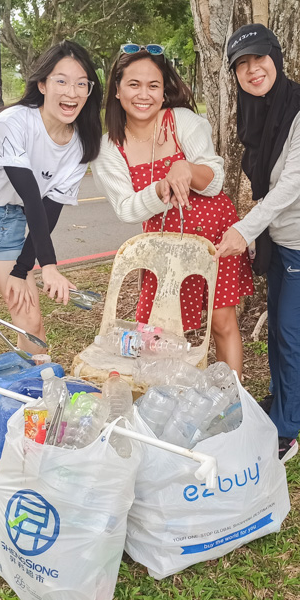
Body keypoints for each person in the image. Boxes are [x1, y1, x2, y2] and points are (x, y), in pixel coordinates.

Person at [215, 25, 300, 462]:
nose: (253, 70)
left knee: (293, 331)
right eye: (242, 65)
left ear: (276, 57)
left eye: (259, 58)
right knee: (277, 329)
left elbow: (291, 184)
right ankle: (279, 399)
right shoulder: (255, 110)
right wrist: (258, 233)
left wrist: (244, 230)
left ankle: (286, 432)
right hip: (280, 238)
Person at [92, 43, 254, 376]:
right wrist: (159, 189)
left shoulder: (182, 121)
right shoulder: (109, 148)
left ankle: (232, 396)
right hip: (164, 247)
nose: (144, 94)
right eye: (134, 84)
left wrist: (186, 169)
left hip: (215, 237)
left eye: (153, 85)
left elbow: (214, 181)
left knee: (222, 320)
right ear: (117, 90)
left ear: (164, 91)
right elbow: (126, 209)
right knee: (157, 328)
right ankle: (163, 393)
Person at [0, 41, 103, 365]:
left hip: (13, 223)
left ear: (89, 91)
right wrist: (48, 266)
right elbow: (31, 194)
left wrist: (22, 270)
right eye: (61, 81)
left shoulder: (81, 144)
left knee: (31, 322)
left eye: (81, 84)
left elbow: (48, 211)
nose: (71, 92)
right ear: (42, 84)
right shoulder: (13, 121)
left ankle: (35, 393)